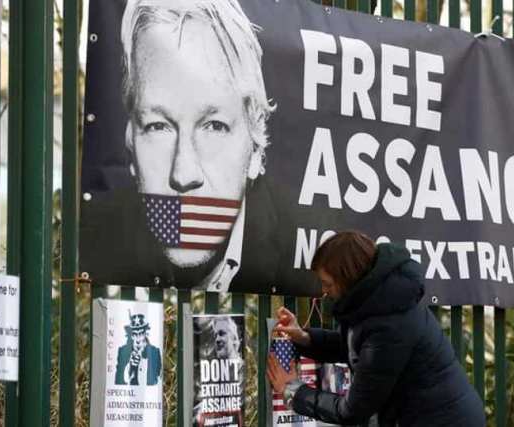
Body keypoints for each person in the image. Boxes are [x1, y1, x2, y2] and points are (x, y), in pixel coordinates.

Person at [81, 0, 282, 292]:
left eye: (214, 126)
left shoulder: (300, 249)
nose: (183, 174)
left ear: (255, 149)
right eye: (158, 126)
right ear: (130, 143)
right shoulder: (97, 239)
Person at [267, 231, 486, 426]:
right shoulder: (379, 301)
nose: (324, 291)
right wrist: (304, 337)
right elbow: (357, 347)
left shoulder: (389, 325)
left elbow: (352, 411)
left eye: (328, 283)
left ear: (348, 279)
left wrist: (292, 389)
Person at [115, 313, 163, 386]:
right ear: (131, 336)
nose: (137, 338)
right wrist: (129, 366)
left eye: (140, 334)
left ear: (145, 334)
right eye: (134, 334)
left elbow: (157, 379)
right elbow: (118, 380)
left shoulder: (154, 352)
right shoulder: (122, 351)